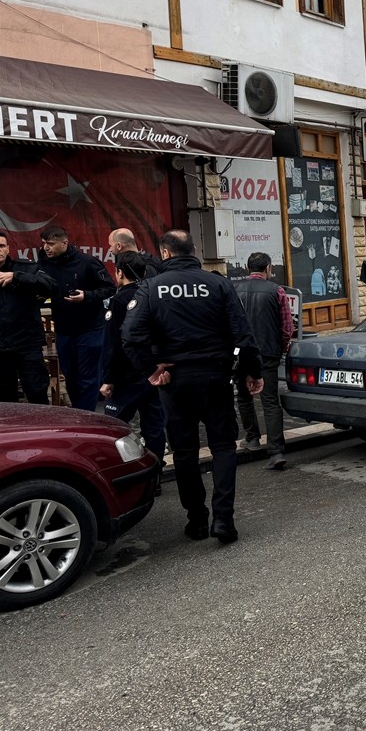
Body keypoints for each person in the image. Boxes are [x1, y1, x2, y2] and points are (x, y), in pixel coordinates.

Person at [123, 230, 264, 544]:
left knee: (184, 451)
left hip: (175, 381)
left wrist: (151, 370)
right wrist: (253, 371)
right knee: (223, 447)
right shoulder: (218, 284)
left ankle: (197, 520)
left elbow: (130, 335)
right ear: (194, 250)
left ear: (165, 253)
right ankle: (223, 520)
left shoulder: (151, 287)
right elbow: (243, 333)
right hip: (215, 376)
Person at [37, 225, 115, 411]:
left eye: (51, 244)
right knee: (70, 375)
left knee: (88, 377)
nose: (46, 247)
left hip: (90, 328)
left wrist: (87, 296)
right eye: (44, 243)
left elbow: (109, 288)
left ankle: (85, 414)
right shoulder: (44, 264)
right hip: (64, 329)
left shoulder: (87, 262)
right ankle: (78, 411)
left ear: (64, 243)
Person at [99, 251, 167, 463]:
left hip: (127, 375)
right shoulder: (152, 295)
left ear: (119, 272)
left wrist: (108, 378)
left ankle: (118, 470)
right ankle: (155, 468)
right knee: (154, 426)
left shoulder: (119, 301)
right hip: (154, 370)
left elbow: (113, 343)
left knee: (112, 425)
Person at [235, 252, 293, 470]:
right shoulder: (276, 290)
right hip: (267, 352)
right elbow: (287, 326)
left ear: (247, 268)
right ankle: (276, 451)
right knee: (269, 401)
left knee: (243, 397)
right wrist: (283, 345)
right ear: (268, 268)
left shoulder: (234, 290)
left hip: (240, 352)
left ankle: (252, 438)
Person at [0, 228, 55, 404]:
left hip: (27, 345)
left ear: (8, 248)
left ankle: (43, 423)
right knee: (5, 400)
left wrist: (17, 277)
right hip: (0, 348)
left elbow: (51, 286)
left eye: (1, 246)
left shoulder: (26, 269)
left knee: (37, 393)